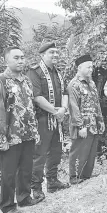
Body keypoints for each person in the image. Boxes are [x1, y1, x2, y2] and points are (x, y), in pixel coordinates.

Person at [0, 46, 44, 213]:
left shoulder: (26, 80)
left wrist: (35, 131)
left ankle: (24, 197)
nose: (21, 60)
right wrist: (2, 137)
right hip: (10, 135)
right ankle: (7, 206)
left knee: (26, 168)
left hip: (28, 133)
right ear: (6, 60)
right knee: (8, 172)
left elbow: (31, 107)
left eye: (22, 57)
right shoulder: (0, 80)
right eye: (16, 57)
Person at [27, 42, 69, 199]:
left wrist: (63, 109)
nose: (55, 55)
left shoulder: (58, 72)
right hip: (43, 119)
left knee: (56, 151)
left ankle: (52, 181)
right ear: (42, 55)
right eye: (51, 52)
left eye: (57, 52)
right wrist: (55, 111)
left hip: (58, 117)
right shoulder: (35, 72)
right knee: (40, 153)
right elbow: (37, 97)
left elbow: (65, 93)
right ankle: (36, 187)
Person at [67, 54, 105, 184]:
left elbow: (96, 103)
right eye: (88, 67)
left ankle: (86, 175)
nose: (91, 69)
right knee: (78, 150)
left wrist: (100, 120)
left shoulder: (92, 83)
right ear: (79, 68)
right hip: (82, 125)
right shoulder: (74, 85)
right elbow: (73, 107)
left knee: (90, 151)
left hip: (93, 124)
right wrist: (80, 126)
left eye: (92, 67)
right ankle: (74, 176)